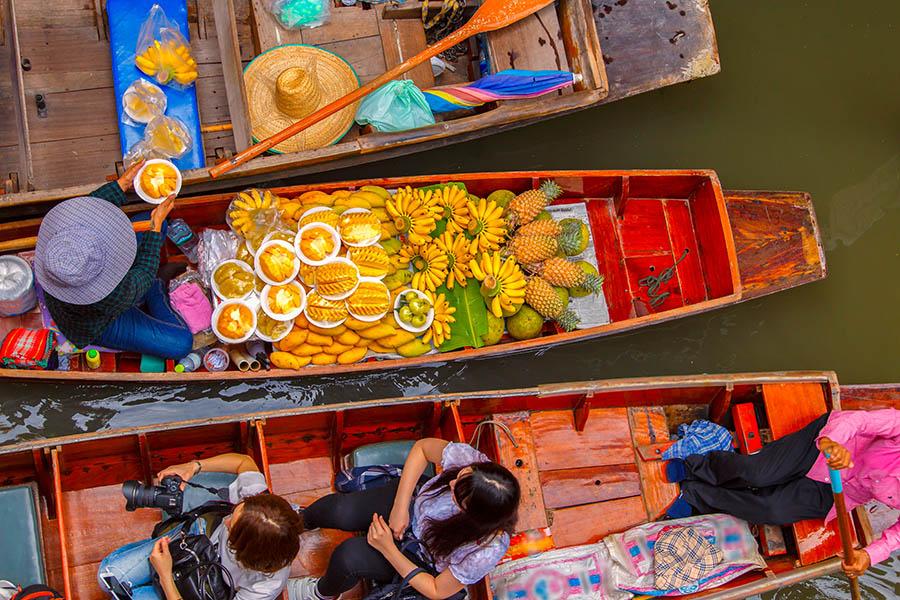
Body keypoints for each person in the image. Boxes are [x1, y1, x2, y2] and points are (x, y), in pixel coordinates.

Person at [663, 409, 900, 578]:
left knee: (771, 510)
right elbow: (860, 420)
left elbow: (896, 536)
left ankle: (695, 495)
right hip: (825, 447)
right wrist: (832, 443)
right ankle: (696, 467)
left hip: (841, 491)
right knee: (756, 474)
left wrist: (869, 556)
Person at [291, 438, 521, 600]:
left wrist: (388, 548)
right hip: (411, 504)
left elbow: (437, 590)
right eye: (459, 476)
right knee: (338, 510)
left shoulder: (486, 549)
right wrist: (400, 507)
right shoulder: (470, 461)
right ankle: (294, 523)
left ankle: (321, 593)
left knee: (348, 557)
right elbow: (422, 448)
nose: (451, 483)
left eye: (457, 495)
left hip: (419, 556)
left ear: (473, 515)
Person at [33, 160, 193, 359]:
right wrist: (155, 228)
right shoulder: (110, 295)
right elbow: (142, 274)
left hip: (94, 274)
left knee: (150, 221)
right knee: (181, 344)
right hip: (99, 323)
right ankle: (154, 290)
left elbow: (87, 209)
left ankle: (146, 293)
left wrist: (121, 184)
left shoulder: (59, 242)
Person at [98, 453, 303, 600]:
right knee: (107, 577)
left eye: (232, 528)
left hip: (204, 583)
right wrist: (194, 466)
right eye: (236, 511)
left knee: (128, 591)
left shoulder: (266, 585)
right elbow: (244, 462)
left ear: (246, 552)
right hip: (197, 538)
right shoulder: (261, 507)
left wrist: (166, 576)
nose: (226, 520)